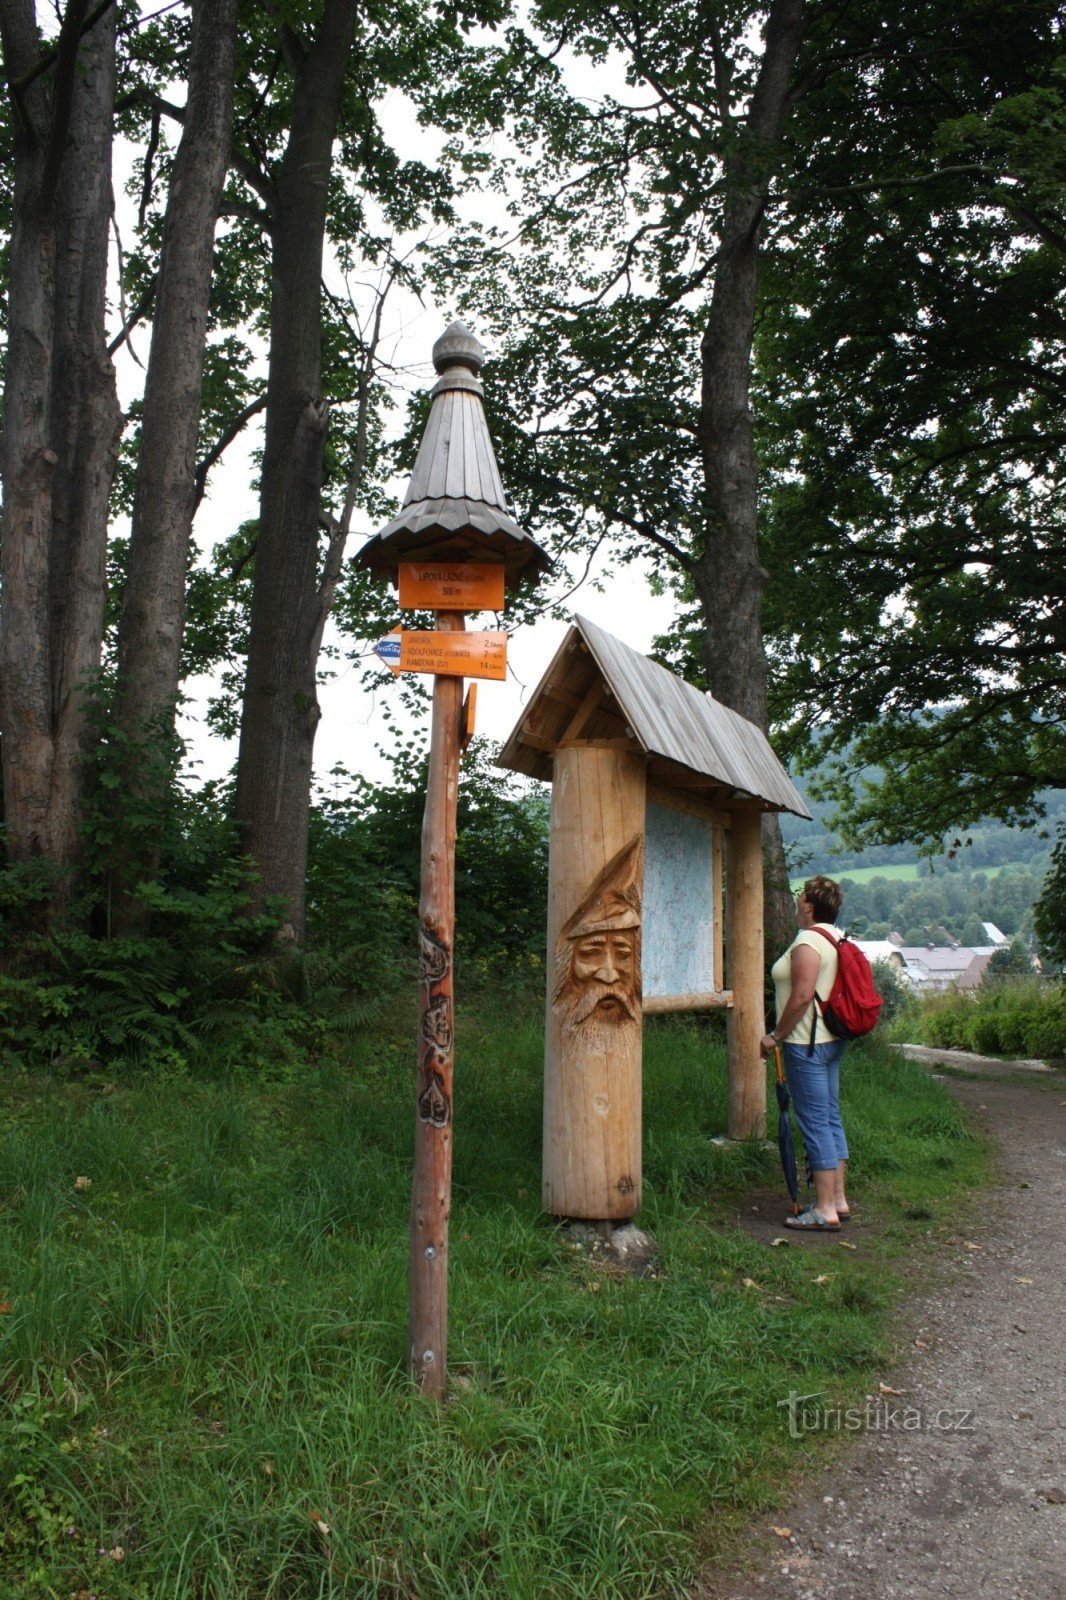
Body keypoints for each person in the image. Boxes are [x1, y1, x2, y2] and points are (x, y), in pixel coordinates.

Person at [759, 875, 850, 1231]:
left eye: (800, 898)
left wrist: (775, 1036)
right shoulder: (835, 937)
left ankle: (825, 1208)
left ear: (810, 906)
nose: (796, 901)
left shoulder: (810, 940)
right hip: (831, 1040)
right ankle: (838, 1200)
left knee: (814, 1121)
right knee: (829, 1116)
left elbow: (801, 996)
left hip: (805, 1043)